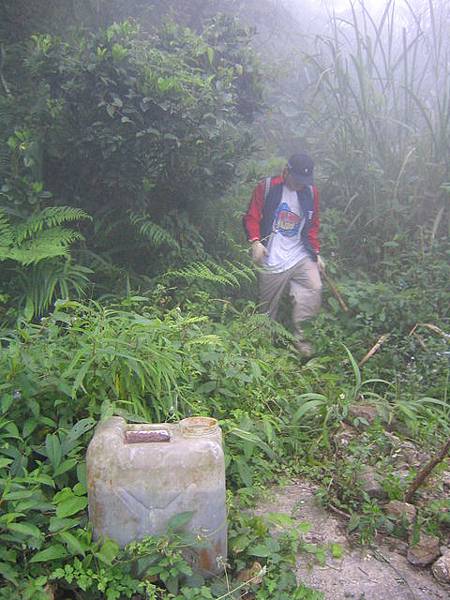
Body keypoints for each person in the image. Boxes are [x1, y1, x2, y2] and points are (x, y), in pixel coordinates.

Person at [243, 152, 324, 356]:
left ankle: (304, 347)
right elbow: (251, 217)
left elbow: (313, 226)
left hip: (300, 254)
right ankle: (261, 350)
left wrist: (315, 252)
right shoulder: (267, 187)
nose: (300, 185)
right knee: (267, 308)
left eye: (304, 181)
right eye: (297, 180)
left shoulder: (311, 193)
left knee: (314, 288)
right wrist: (255, 242)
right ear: (286, 171)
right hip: (272, 256)